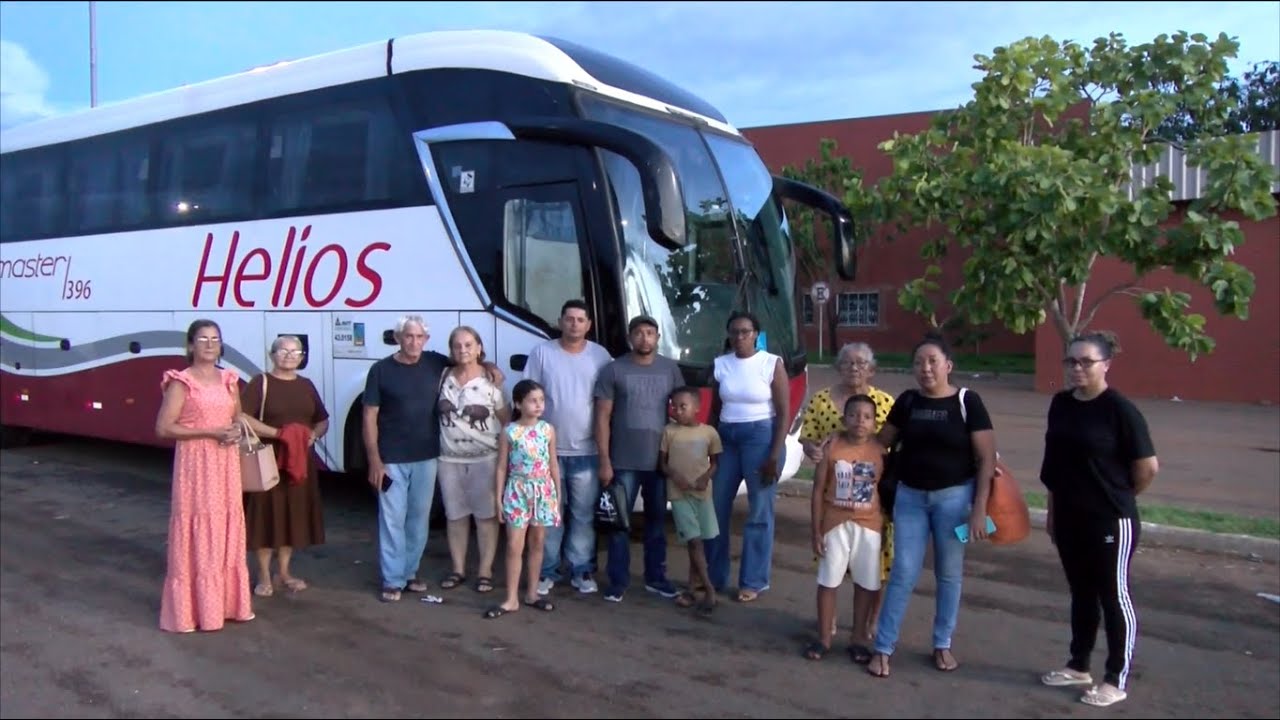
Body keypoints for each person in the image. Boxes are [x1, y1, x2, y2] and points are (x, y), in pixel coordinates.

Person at [1038, 332, 1158, 708]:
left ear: (1106, 364)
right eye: (1071, 361)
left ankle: (1115, 678)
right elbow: (1055, 467)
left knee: (1113, 595)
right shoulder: (1060, 404)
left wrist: (1118, 499)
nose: (1077, 368)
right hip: (1070, 517)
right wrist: (1054, 511)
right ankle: (1078, 665)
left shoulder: (1120, 410)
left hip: (1110, 520)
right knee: (1081, 594)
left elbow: (1148, 467)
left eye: (1086, 362)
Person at [867, 333, 996, 679]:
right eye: (919, 362)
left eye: (932, 361)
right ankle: (883, 647)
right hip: (910, 498)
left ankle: (942, 643)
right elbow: (881, 444)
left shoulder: (969, 402)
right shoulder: (908, 402)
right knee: (904, 573)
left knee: (949, 575)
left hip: (955, 500)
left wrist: (979, 508)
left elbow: (985, 458)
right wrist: (839, 445)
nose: (925, 369)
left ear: (948, 366)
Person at [363, 315, 504, 603]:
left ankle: (410, 572)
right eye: (408, 336)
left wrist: (489, 366)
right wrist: (374, 460)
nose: (414, 342)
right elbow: (369, 417)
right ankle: (392, 579)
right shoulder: (380, 370)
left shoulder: (435, 364)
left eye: (419, 337)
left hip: (428, 458)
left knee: (418, 519)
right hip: (392, 459)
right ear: (398, 338)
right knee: (392, 519)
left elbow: (468, 362)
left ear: (426, 340)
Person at [154, 319, 253, 632]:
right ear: (190, 346)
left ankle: (225, 606)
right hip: (196, 464)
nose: (210, 344)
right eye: (203, 339)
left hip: (226, 464)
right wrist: (210, 432)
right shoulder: (181, 382)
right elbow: (163, 427)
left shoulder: (229, 379)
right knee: (199, 527)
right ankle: (192, 612)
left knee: (225, 525)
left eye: (215, 339)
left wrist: (236, 431)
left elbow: (236, 417)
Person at [799, 342, 896, 639]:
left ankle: (869, 623)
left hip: (873, 498)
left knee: (875, 569)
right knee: (832, 566)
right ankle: (828, 624)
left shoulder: (885, 402)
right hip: (833, 498)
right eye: (848, 363)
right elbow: (808, 437)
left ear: (872, 369)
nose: (854, 369)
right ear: (838, 367)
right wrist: (813, 449)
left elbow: (893, 445)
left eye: (861, 364)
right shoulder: (821, 400)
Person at [595, 315, 686, 603]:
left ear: (658, 337)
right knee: (620, 524)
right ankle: (617, 581)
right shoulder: (613, 370)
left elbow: (683, 413)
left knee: (657, 523)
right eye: (639, 333)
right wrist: (605, 460)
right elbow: (602, 417)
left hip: (659, 462)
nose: (644, 338)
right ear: (630, 337)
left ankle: (656, 578)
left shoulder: (670, 369)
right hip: (622, 461)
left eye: (650, 333)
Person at [525, 299, 612, 596]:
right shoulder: (542, 353)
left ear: (588, 325)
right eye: (569, 318)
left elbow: (606, 405)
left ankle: (580, 569)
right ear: (560, 321)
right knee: (549, 514)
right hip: (547, 452)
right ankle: (547, 571)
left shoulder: (601, 357)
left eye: (580, 319)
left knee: (583, 514)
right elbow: (527, 397)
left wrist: (604, 454)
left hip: (586, 452)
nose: (574, 324)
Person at [705, 311, 790, 603]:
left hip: (761, 438)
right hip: (727, 438)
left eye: (745, 331)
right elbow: (715, 411)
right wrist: (710, 447)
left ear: (756, 334)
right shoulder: (721, 365)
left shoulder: (770, 363)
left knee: (759, 512)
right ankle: (713, 577)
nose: (739, 337)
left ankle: (753, 580)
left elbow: (783, 413)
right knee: (716, 509)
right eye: (734, 332)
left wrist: (774, 455)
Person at [239, 335, 329, 598]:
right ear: (272, 354)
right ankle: (264, 574)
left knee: (292, 517)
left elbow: (322, 419)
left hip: (299, 461)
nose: (289, 356)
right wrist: (278, 433)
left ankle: (285, 572)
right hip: (269, 460)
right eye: (283, 351)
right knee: (266, 517)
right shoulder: (261, 383)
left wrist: (313, 435)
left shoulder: (306, 385)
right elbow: (243, 416)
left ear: (302, 357)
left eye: (295, 352)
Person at [804, 394, 885, 662]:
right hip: (834, 524)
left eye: (866, 417)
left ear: (875, 423)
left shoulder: (881, 451)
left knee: (866, 584)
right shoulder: (832, 446)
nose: (859, 421)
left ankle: (859, 638)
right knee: (828, 581)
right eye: (853, 415)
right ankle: (824, 637)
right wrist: (816, 530)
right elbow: (817, 491)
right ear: (843, 419)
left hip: (869, 526)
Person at [437, 326, 508, 595]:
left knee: (486, 518)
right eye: (457, 345)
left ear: (479, 347)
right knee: (455, 516)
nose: (463, 350)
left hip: (485, 459)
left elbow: (505, 421)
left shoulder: (492, 381)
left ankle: (485, 572)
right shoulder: (443, 376)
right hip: (449, 459)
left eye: (469, 344)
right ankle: (458, 569)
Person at [484, 379, 561, 618]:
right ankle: (511, 598)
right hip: (517, 491)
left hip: (543, 491)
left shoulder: (547, 429)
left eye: (541, 400)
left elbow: (553, 464)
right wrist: (498, 499)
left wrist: (556, 496)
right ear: (518, 403)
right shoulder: (510, 431)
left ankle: (532, 593)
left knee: (538, 542)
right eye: (532, 401)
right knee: (514, 546)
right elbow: (501, 467)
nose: (538, 405)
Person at [659, 387, 722, 616]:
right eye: (674, 406)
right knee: (694, 541)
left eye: (683, 406)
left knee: (699, 542)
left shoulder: (709, 433)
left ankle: (690, 589)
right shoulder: (669, 431)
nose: (677, 411)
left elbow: (714, 462)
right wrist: (675, 476)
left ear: (697, 408)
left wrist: (705, 477)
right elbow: (663, 463)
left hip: (702, 494)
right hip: (679, 494)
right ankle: (709, 589)